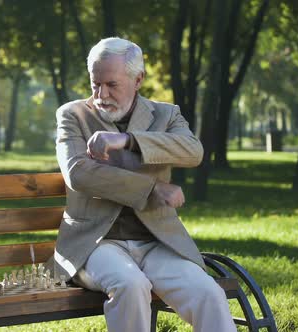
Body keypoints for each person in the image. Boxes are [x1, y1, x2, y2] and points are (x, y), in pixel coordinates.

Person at [52, 37, 236, 332]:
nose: (101, 94)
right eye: (95, 84)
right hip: (96, 243)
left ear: (138, 79)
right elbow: (78, 172)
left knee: (208, 293)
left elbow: (193, 151)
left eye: (112, 85)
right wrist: (151, 188)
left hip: (155, 240)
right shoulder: (73, 115)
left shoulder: (166, 114)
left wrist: (129, 140)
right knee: (130, 285)